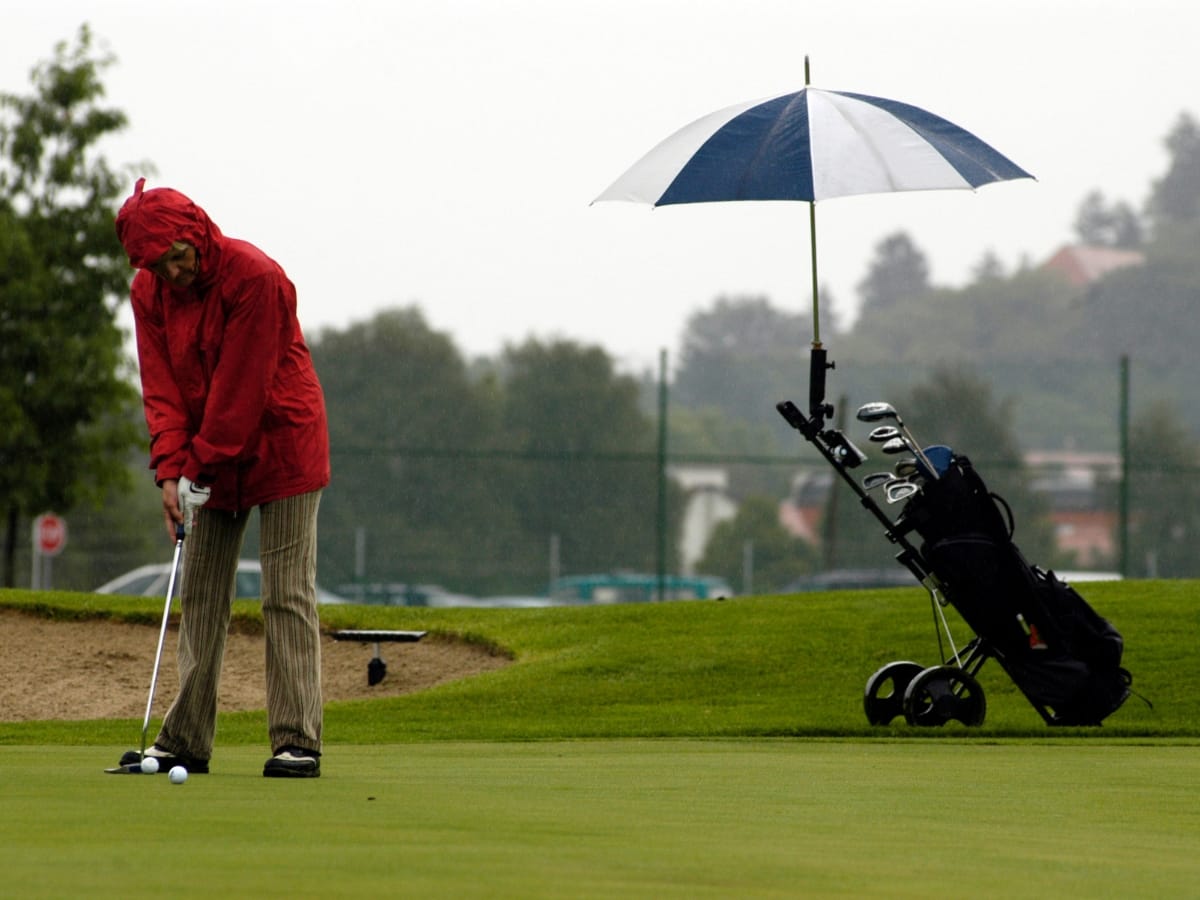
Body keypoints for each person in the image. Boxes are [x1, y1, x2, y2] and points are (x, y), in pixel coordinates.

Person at [113, 178, 330, 778]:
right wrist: (169, 470)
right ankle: (184, 738)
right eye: (159, 264)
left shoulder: (255, 278)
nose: (174, 271)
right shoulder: (148, 293)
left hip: (282, 442)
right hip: (208, 452)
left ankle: (296, 740)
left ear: (196, 230)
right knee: (201, 592)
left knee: (285, 593)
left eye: (177, 254)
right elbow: (160, 387)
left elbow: (240, 391)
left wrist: (196, 468)